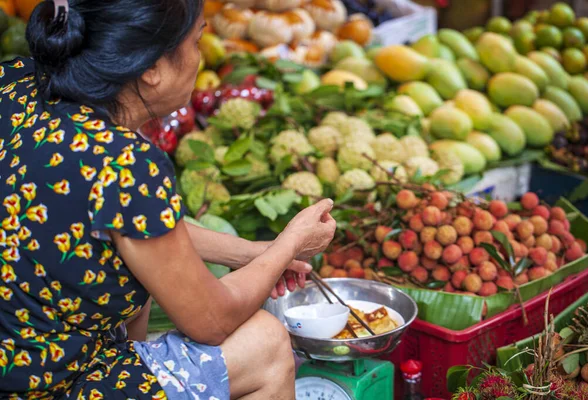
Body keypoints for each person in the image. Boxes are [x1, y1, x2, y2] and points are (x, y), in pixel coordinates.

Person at [0, 0, 337, 399]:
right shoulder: (125, 164)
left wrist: (253, 253)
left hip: (15, 357)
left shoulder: (15, 81)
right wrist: (289, 243)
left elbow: (142, 229)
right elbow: (213, 320)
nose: (199, 58)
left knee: (138, 293)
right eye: (197, 41)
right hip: (45, 386)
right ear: (152, 70)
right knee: (265, 343)